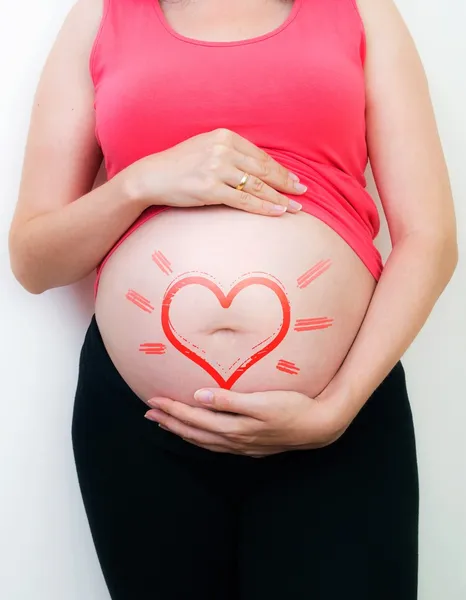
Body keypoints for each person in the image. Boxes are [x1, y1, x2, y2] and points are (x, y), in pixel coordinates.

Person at [8, 0, 457, 598]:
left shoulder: (361, 10)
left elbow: (431, 238)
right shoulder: (101, 14)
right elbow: (34, 261)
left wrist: (336, 409)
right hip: (144, 426)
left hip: (339, 414)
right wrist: (141, 182)